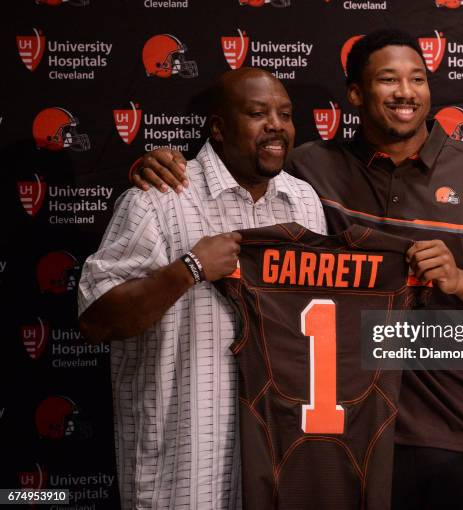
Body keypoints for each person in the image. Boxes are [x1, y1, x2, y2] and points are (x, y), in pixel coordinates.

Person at [132, 29, 463, 509]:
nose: (405, 92)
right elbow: (239, 163)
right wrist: (160, 165)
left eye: (417, 78)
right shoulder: (308, 174)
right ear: (355, 94)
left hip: (460, 430)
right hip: (348, 435)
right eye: (388, 80)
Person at [77, 68, 326, 510]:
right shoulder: (159, 197)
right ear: (218, 126)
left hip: (278, 458)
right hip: (185, 463)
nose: (276, 124)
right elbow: (97, 320)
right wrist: (188, 269)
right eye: (257, 112)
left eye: (285, 114)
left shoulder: (305, 201)